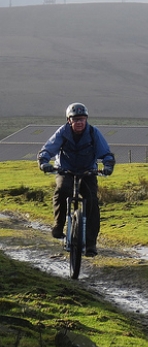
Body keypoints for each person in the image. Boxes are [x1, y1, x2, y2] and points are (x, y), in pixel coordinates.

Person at [37, 103, 115, 257]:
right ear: (69, 120)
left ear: (86, 120)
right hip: (65, 170)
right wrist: (44, 162)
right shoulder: (62, 133)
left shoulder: (93, 133)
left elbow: (105, 152)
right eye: (76, 119)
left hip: (88, 171)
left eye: (82, 119)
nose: (79, 122)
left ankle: (91, 244)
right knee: (62, 190)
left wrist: (108, 166)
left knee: (92, 201)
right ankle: (59, 225)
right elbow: (48, 149)